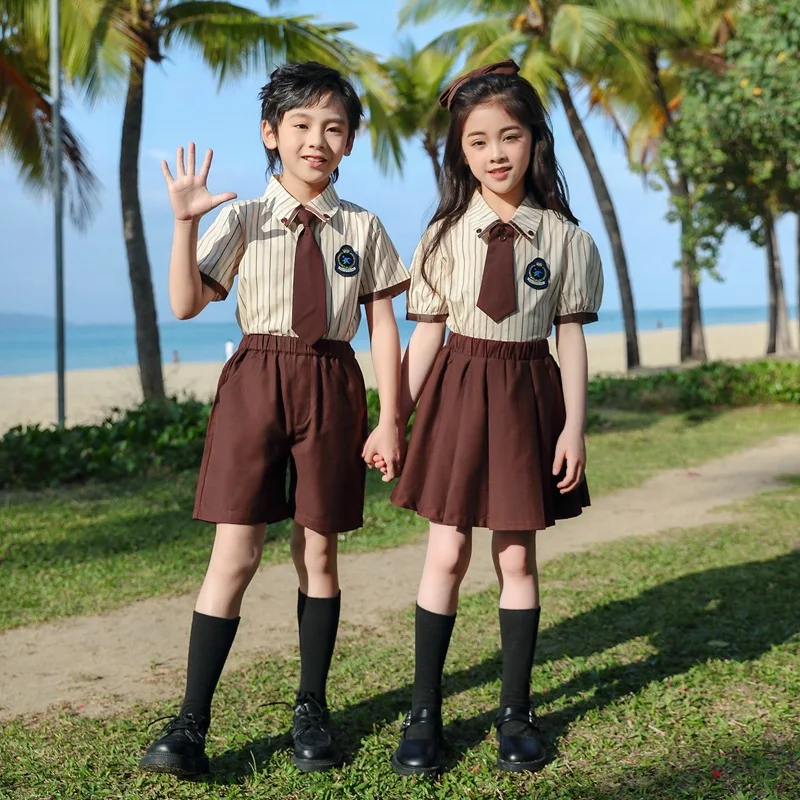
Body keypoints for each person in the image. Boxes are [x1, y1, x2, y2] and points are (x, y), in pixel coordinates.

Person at [138, 61, 409, 778]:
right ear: (272, 134)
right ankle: (191, 722)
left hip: (331, 382)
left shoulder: (363, 226)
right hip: (256, 380)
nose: (317, 139)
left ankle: (311, 710)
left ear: (349, 142)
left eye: (334, 127)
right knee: (236, 553)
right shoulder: (243, 217)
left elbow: (384, 326)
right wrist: (184, 221)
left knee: (318, 553)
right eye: (301, 125)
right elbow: (188, 303)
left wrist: (389, 417)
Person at [382, 60, 603, 776]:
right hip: (456, 391)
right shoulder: (443, 235)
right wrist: (393, 418)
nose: (496, 153)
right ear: (461, 153)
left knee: (515, 555)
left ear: (535, 140)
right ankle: (424, 713)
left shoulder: (566, 237)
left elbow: (569, 335)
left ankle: (516, 712)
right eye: (478, 142)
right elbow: (424, 338)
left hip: (527, 395)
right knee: (446, 551)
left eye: (510, 136)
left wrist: (573, 426)